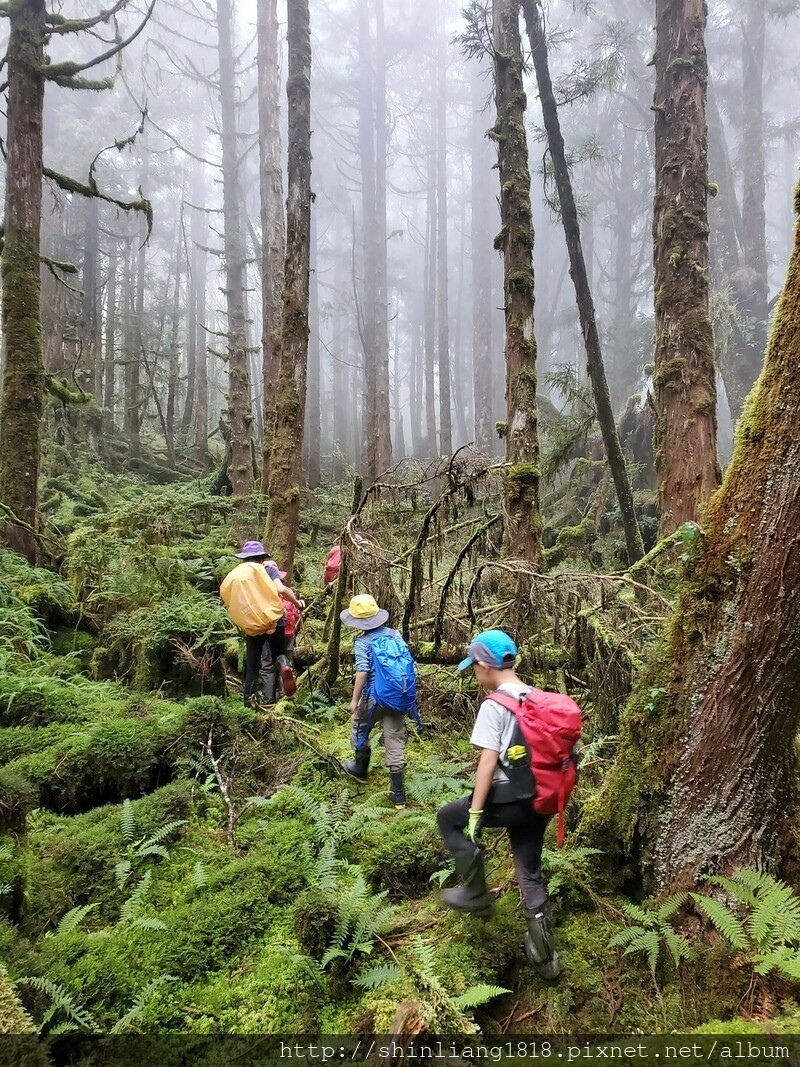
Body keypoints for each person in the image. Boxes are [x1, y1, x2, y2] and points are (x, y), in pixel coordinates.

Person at [436, 629, 561, 981]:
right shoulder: (536, 697)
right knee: (529, 872)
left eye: (474, 666)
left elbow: (488, 763)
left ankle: (475, 894)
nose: (474, 674)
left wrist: (475, 814)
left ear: (484, 665)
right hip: (542, 799)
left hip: (511, 800)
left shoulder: (495, 705)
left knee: (448, 818)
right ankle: (545, 958)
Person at [339, 594, 422, 809]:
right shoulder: (395, 635)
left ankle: (360, 769)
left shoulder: (362, 642)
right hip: (397, 694)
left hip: (372, 697)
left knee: (359, 728)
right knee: (394, 738)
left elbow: (362, 672)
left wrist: (354, 700)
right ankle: (399, 796)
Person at [234, 541, 304, 708]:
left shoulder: (241, 576)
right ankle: (284, 665)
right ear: (261, 558)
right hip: (275, 620)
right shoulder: (269, 570)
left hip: (253, 624)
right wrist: (296, 602)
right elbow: (281, 590)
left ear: (245, 559)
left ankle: (248, 704)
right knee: (278, 654)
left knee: (253, 667)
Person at [260, 560, 302, 703]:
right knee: (285, 663)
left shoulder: (260, 593)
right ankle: (285, 696)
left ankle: (268, 700)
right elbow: (296, 615)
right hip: (288, 634)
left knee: (267, 665)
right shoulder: (287, 593)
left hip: (268, 632)